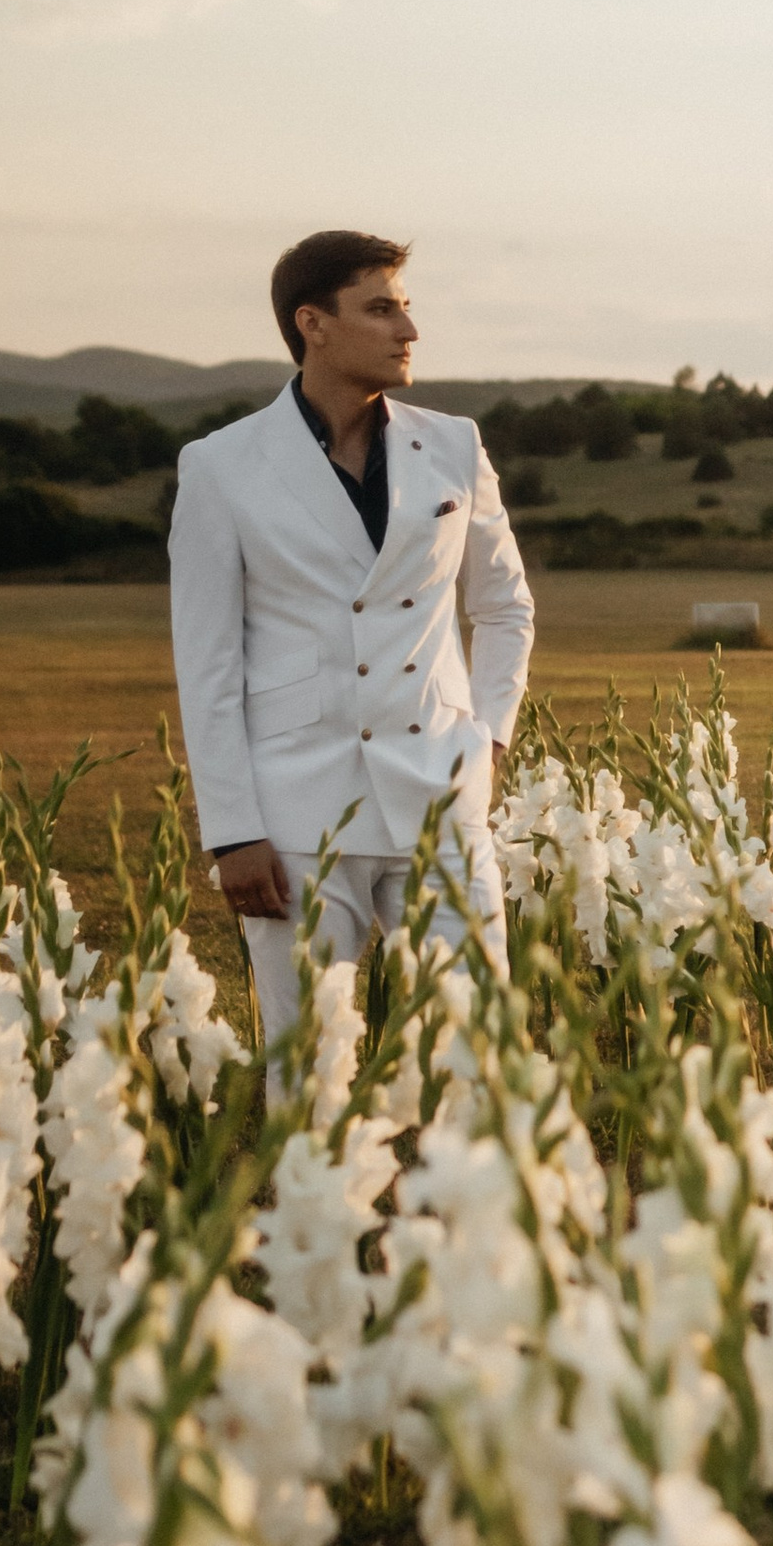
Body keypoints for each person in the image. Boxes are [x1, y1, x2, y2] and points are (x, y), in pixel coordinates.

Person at [168, 229, 534, 1053]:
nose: (408, 330)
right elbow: (209, 661)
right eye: (381, 309)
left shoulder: (454, 444)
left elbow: (507, 608)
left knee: (479, 1054)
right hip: (296, 811)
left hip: (443, 793)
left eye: (406, 308)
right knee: (309, 1069)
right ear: (313, 324)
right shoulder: (220, 467)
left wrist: (490, 739)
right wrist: (232, 830)